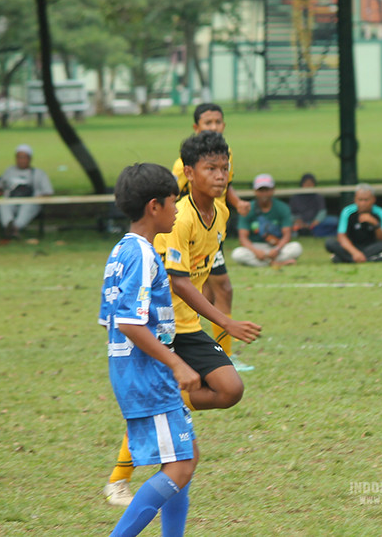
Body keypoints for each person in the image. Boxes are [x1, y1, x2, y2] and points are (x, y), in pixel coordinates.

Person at [103, 132, 262, 507]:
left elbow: (206, 271)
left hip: (187, 325)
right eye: (211, 169)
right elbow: (177, 281)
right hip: (160, 328)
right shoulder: (179, 218)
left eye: (225, 168)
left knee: (230, 389)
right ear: (189, 173)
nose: (221, 176)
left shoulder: (220, 212)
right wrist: (225, 321)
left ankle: (170, 403)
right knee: (180, 452)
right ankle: (118, 479)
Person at [99, 163, 199, 536]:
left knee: (184, 459)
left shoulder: (121, 251)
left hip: (139, 374)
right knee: (179, 467)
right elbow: (127, 321)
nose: (178, 210)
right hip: (148, 377)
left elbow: (108, 320)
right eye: (174, 202)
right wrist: (176, 364)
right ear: (154, 206)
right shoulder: (141, 254)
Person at [171, 103, 252, 371]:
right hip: (188, 233)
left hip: (210, 230)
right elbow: (167, 192)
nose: (214, 126)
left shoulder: (224, 158)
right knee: (211, 289)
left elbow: (223, 186)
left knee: (214, 288)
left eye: (218, 122)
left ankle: (222, 352)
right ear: (196, 127)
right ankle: (219, 350)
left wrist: (237, 202)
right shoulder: (184, 168)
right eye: (208, 122)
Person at [231, 173, 303, 267]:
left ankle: (262, 263)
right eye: (261, 190)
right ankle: (276, 263)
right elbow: (243, 238)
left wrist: (277, 249)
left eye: (267, 190)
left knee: (296, 247)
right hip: (256, 246)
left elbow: (287, 235)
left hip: (276, 246)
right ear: (255, 191)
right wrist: (256, 251)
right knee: (237, 254)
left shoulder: (282, 207)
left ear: (273, 190)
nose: (264, 194)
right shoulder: (247, 208)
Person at [0, 144, 53, 239]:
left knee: (28, 205)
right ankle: (9, 226)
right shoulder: (9, 171)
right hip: (11, 201)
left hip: (30, 202)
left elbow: (48, 192)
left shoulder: (39, 173)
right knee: (3, 204)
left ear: (30, 159)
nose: (21, 160)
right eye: (19, 157)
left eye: (24, 157)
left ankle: (14, 228)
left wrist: (39, 198)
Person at [325, 184, 382, 263]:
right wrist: (355, 252)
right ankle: (371, 259)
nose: (363, 203)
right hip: (352, 247)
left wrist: (374, 223)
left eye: (366, 200)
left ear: (373, 199)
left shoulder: (380, 212)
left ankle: (344, 259)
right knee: (329, 243)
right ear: (355, 200)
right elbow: (342, 237)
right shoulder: (347, 212)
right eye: (360, 200)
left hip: (371, 247)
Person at [289, 172, 336, 237]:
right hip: (300, 223)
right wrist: (298, 221)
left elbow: (322, 212)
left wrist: (316, 221)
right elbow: (291, 213)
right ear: (302, 184)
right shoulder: (295, 197)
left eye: (310, 183)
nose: (308, 186)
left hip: (317, 222)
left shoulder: (318, 196)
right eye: (306, 183)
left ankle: (315, 231)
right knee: (288, 225)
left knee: (335, 221)